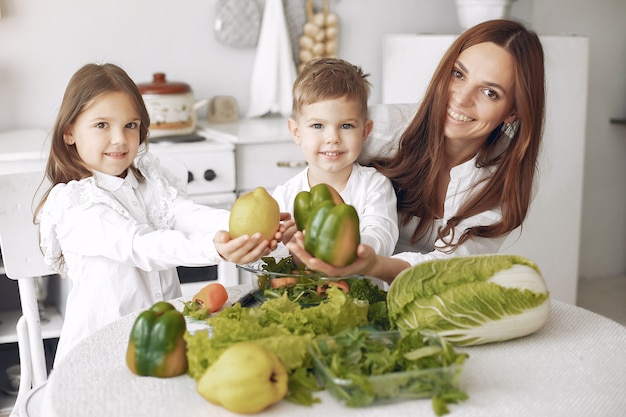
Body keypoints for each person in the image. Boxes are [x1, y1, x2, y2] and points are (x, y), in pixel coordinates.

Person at [35, 63, 285, 364]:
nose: (119, 138)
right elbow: (139, 245)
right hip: (103, 348)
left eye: (130, 125)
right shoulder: (74, 204)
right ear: (69, 133)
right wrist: (214, 248)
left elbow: (185, 214)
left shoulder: (145, 179)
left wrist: (246, 229)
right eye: (102, 125)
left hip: (162, 336)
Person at [288, 19, 545, 283]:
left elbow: (452, 268)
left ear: (513, 111)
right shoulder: (382, 130)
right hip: (350, 288)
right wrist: (267, 238)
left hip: (434, 295)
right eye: (458, 74)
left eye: (490, 92)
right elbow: (317, 176)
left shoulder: (505, 180)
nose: (461, 98)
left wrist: (374, 264)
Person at [272, 57, 398, 256]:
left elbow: (381, 242)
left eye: (346, 126)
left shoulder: (374, 186)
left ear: (365, 132)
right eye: (317, 126)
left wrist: (328, 239)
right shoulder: (284, 196)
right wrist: (286, 246)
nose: (332, 138)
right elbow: (266, 259)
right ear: (296, 132)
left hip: (360, 286)